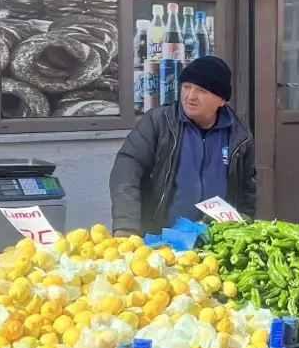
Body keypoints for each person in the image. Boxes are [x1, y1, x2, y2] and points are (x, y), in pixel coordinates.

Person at [109, 56, 255, 237]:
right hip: (160, 242)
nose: (190, 96)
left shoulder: (238, 135)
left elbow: (247, 192)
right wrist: (126, 225)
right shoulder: (158, 123)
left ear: (222, 100)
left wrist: (244, 232)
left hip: (216, 244)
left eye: (201, 90)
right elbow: (126, 170)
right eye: (186, 86)